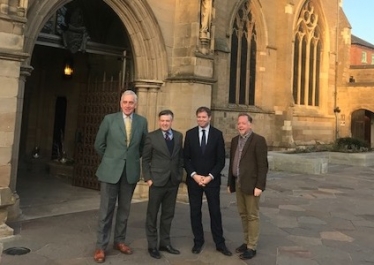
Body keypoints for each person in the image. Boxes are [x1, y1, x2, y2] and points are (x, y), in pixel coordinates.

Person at [93, 90, 148, 263]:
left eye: (131, 102)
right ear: (120, 103)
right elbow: (99, 144)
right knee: (106, 211)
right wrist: (111, 159)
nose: (128, 105)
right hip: (110, 172)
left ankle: (119, 241)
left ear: (136, 104)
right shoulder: (109, 119)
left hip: (129, 172)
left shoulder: (142, 122)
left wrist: (129, 160)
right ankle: (101, 246)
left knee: (124, 210)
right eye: (125, 102)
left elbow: (143, 146)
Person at [183, 106, 232, 256]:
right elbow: (186, 159)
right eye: (199, 117)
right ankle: (198, 241)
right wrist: (194, 175)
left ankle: (220, 243)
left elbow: (220, 160)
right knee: (195, 212)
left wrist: (210, 176)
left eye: (204, 117)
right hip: (194, 180)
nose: (201, 119)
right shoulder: (190, 134)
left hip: (212, 180)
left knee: (215, 212)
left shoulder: (217, 135)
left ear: (209, 118)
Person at [142, 109, 184, 259]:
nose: (165, 123)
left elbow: (180, 158)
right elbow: (145, 159)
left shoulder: (179, 136)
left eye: (168, 120)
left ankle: (164, 243)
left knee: (168, 214)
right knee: (152, 214)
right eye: (162, 120)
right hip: (157, 181)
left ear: (172, 121)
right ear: (159, 121)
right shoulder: (151, 137)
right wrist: (148, 178)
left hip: (172, 182)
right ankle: (152, 245)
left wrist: (179, 175)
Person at [227, 113, 268, 260]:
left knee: (252, 215)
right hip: (238, 183)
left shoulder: (258, 140)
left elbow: (263, 166)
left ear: (250, 124)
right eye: (239, 123)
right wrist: (230, 183)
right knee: (243, 214)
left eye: (243, 123)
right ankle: (246, 241)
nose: (240, 125)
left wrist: (260, 186)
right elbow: (233, 162)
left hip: (252, 185)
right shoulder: (234, 140)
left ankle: (252, 246)